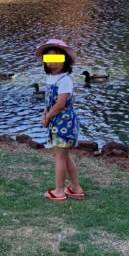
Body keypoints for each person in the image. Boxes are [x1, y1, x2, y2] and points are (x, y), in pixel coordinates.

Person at [36, 39, 84, 202]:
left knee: (59, 157)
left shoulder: (65, 80)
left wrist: (48, 117)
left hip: (64, 122)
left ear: (65, 60)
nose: (53, 64)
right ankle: (76, 188)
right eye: (49, 60)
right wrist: (44, 115)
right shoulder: (51, 78)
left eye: (57, 59)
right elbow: (49, 103)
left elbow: (60, 103)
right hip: (56, 121)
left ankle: (59, 191)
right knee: (63, 156)